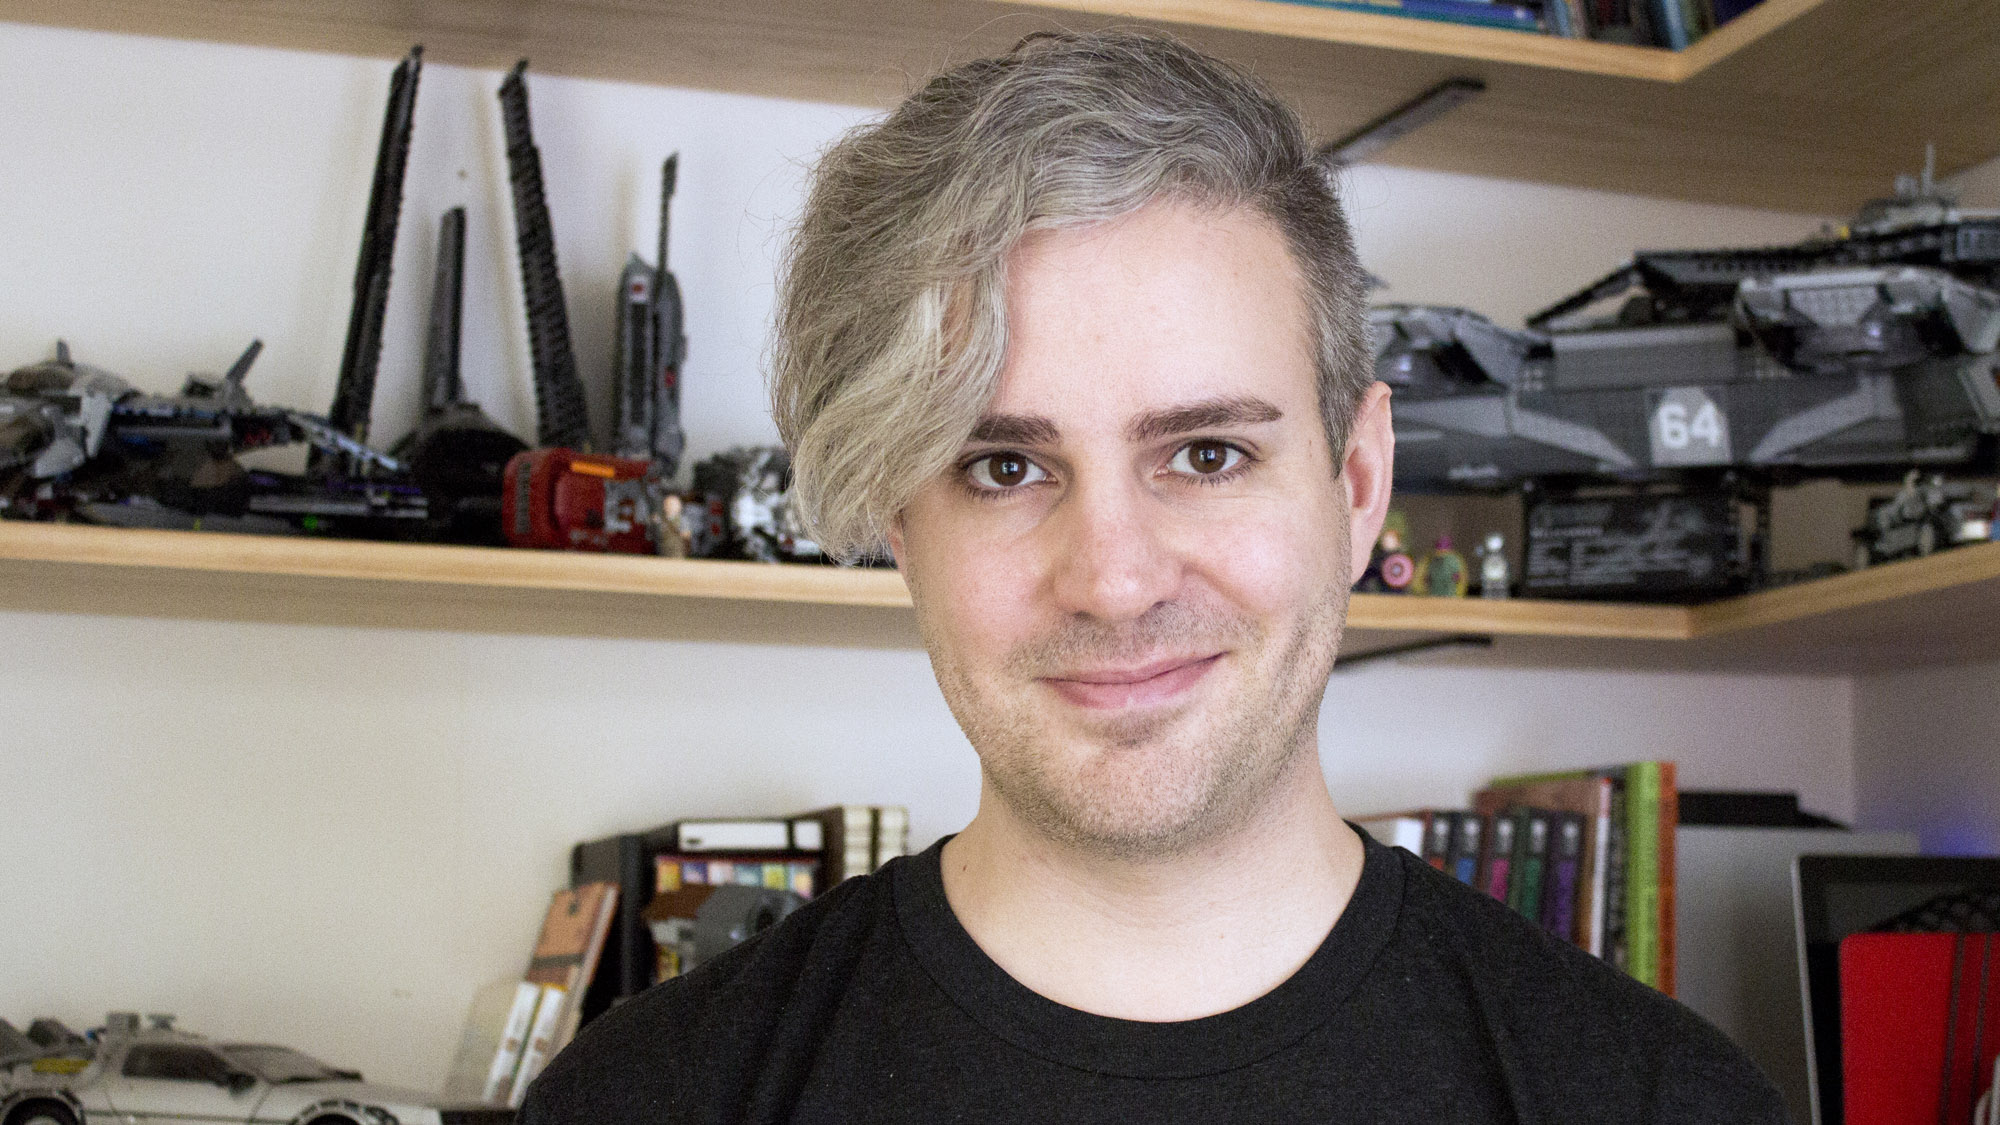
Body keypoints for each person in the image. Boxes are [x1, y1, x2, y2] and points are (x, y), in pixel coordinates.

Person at [523, 30, 1785, 1123]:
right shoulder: (647, 1098)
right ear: (900, 526)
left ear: (1355, 484)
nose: (1115, 583)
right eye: (1003, 470)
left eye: (1205, 452)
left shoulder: (1656, 1099)